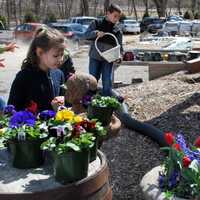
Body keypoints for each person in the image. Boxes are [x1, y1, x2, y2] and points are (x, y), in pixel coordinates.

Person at [8, 28, 65, 112]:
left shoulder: (59, 74)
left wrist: (62, 104)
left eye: (62, 54)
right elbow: (11, 112)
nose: (60, 59)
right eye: (56, 56)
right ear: (40, 52)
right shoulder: (24, 77)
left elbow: (64, 106)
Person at [83, 4, 123, 96]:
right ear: (108, 13)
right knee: (93, 79)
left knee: (107, 81)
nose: (116, 19)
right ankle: (89, 100)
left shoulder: (117, 30)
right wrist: (96, 33)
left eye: (118, 17)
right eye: (115, 16)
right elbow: (85, 35)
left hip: (108, 59)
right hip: (95, 57)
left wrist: (119, 56)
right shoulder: (97, 23)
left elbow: (120, 47)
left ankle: (106, 101)